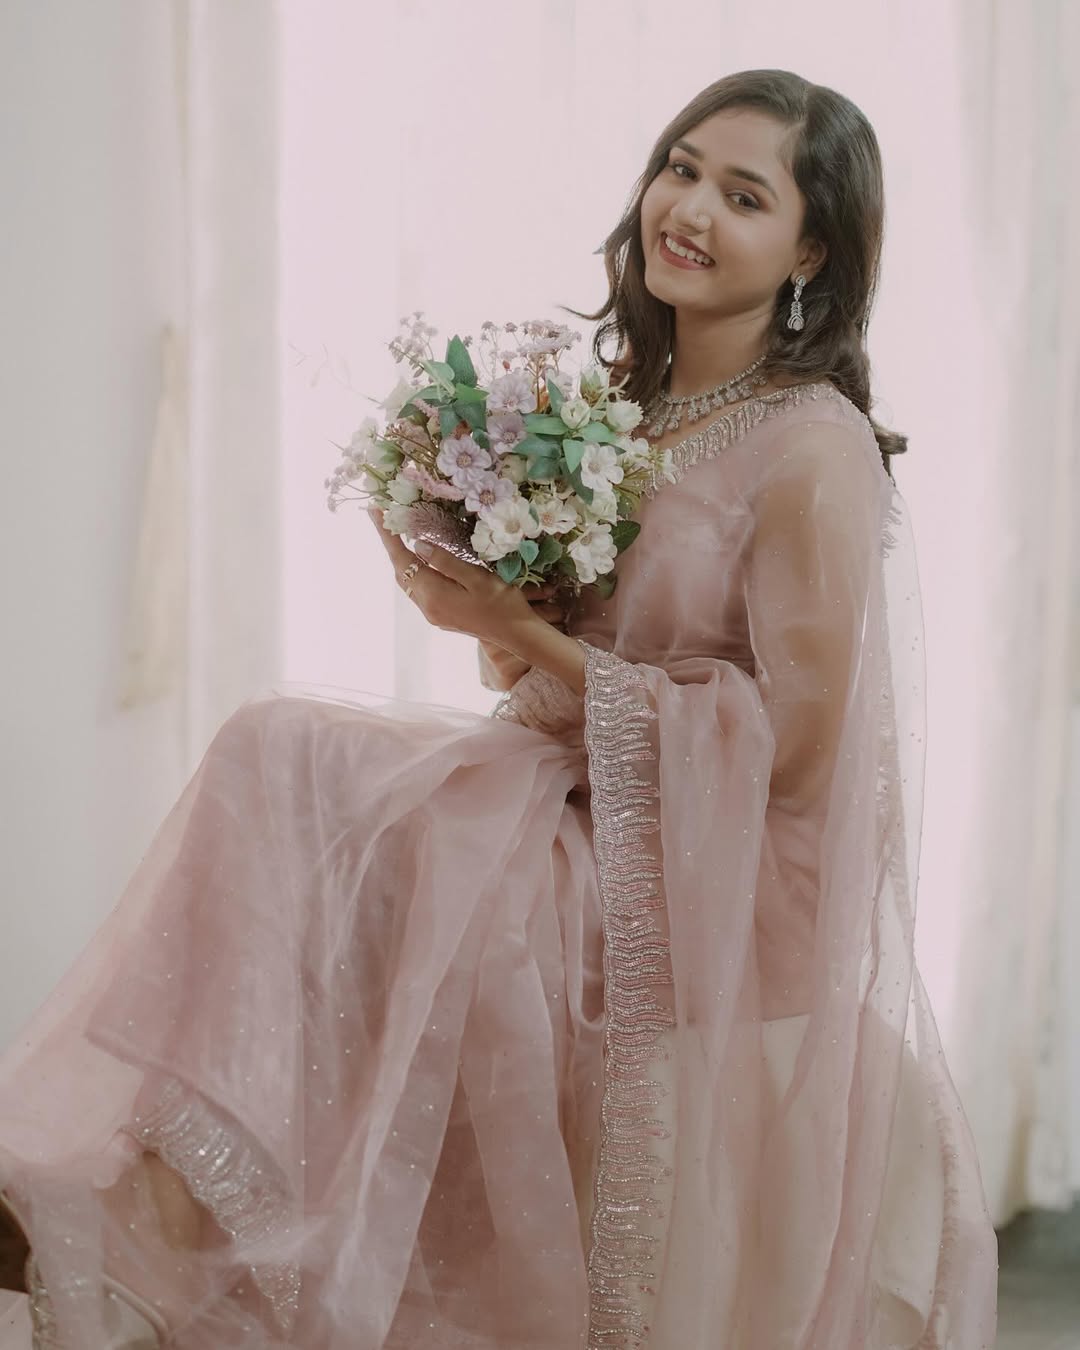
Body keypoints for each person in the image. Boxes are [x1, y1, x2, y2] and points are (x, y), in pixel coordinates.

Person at [0, 67, 998, 1350]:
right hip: (573, 794)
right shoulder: (625, 407)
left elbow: (797, 749)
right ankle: (165, 1186)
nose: (688, 208)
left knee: (365, 803)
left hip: (717, 880)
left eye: (743, 195)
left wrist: (521, 635)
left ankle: (173, 1222)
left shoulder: (812, 445)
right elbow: (552, 671)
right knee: (277, 757)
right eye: (681, 167)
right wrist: (469, 589)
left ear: (812, 247)